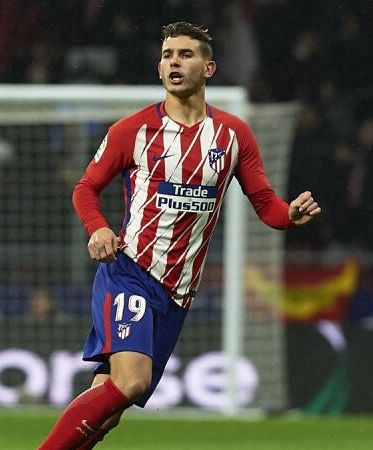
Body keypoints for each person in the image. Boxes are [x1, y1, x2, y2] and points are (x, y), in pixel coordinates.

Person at [38, 21, 321, 449]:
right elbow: (85, 188)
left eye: (186, 54)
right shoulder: (132, 130)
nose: (175, 62)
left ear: (208, 68)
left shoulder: (233, 135)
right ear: (159, 69)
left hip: (178, 293)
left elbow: (266, 203)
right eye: (168, 55)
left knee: (109, 411)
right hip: (130, 271)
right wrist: (98, 228)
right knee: (132, 381)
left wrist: (290, 215)